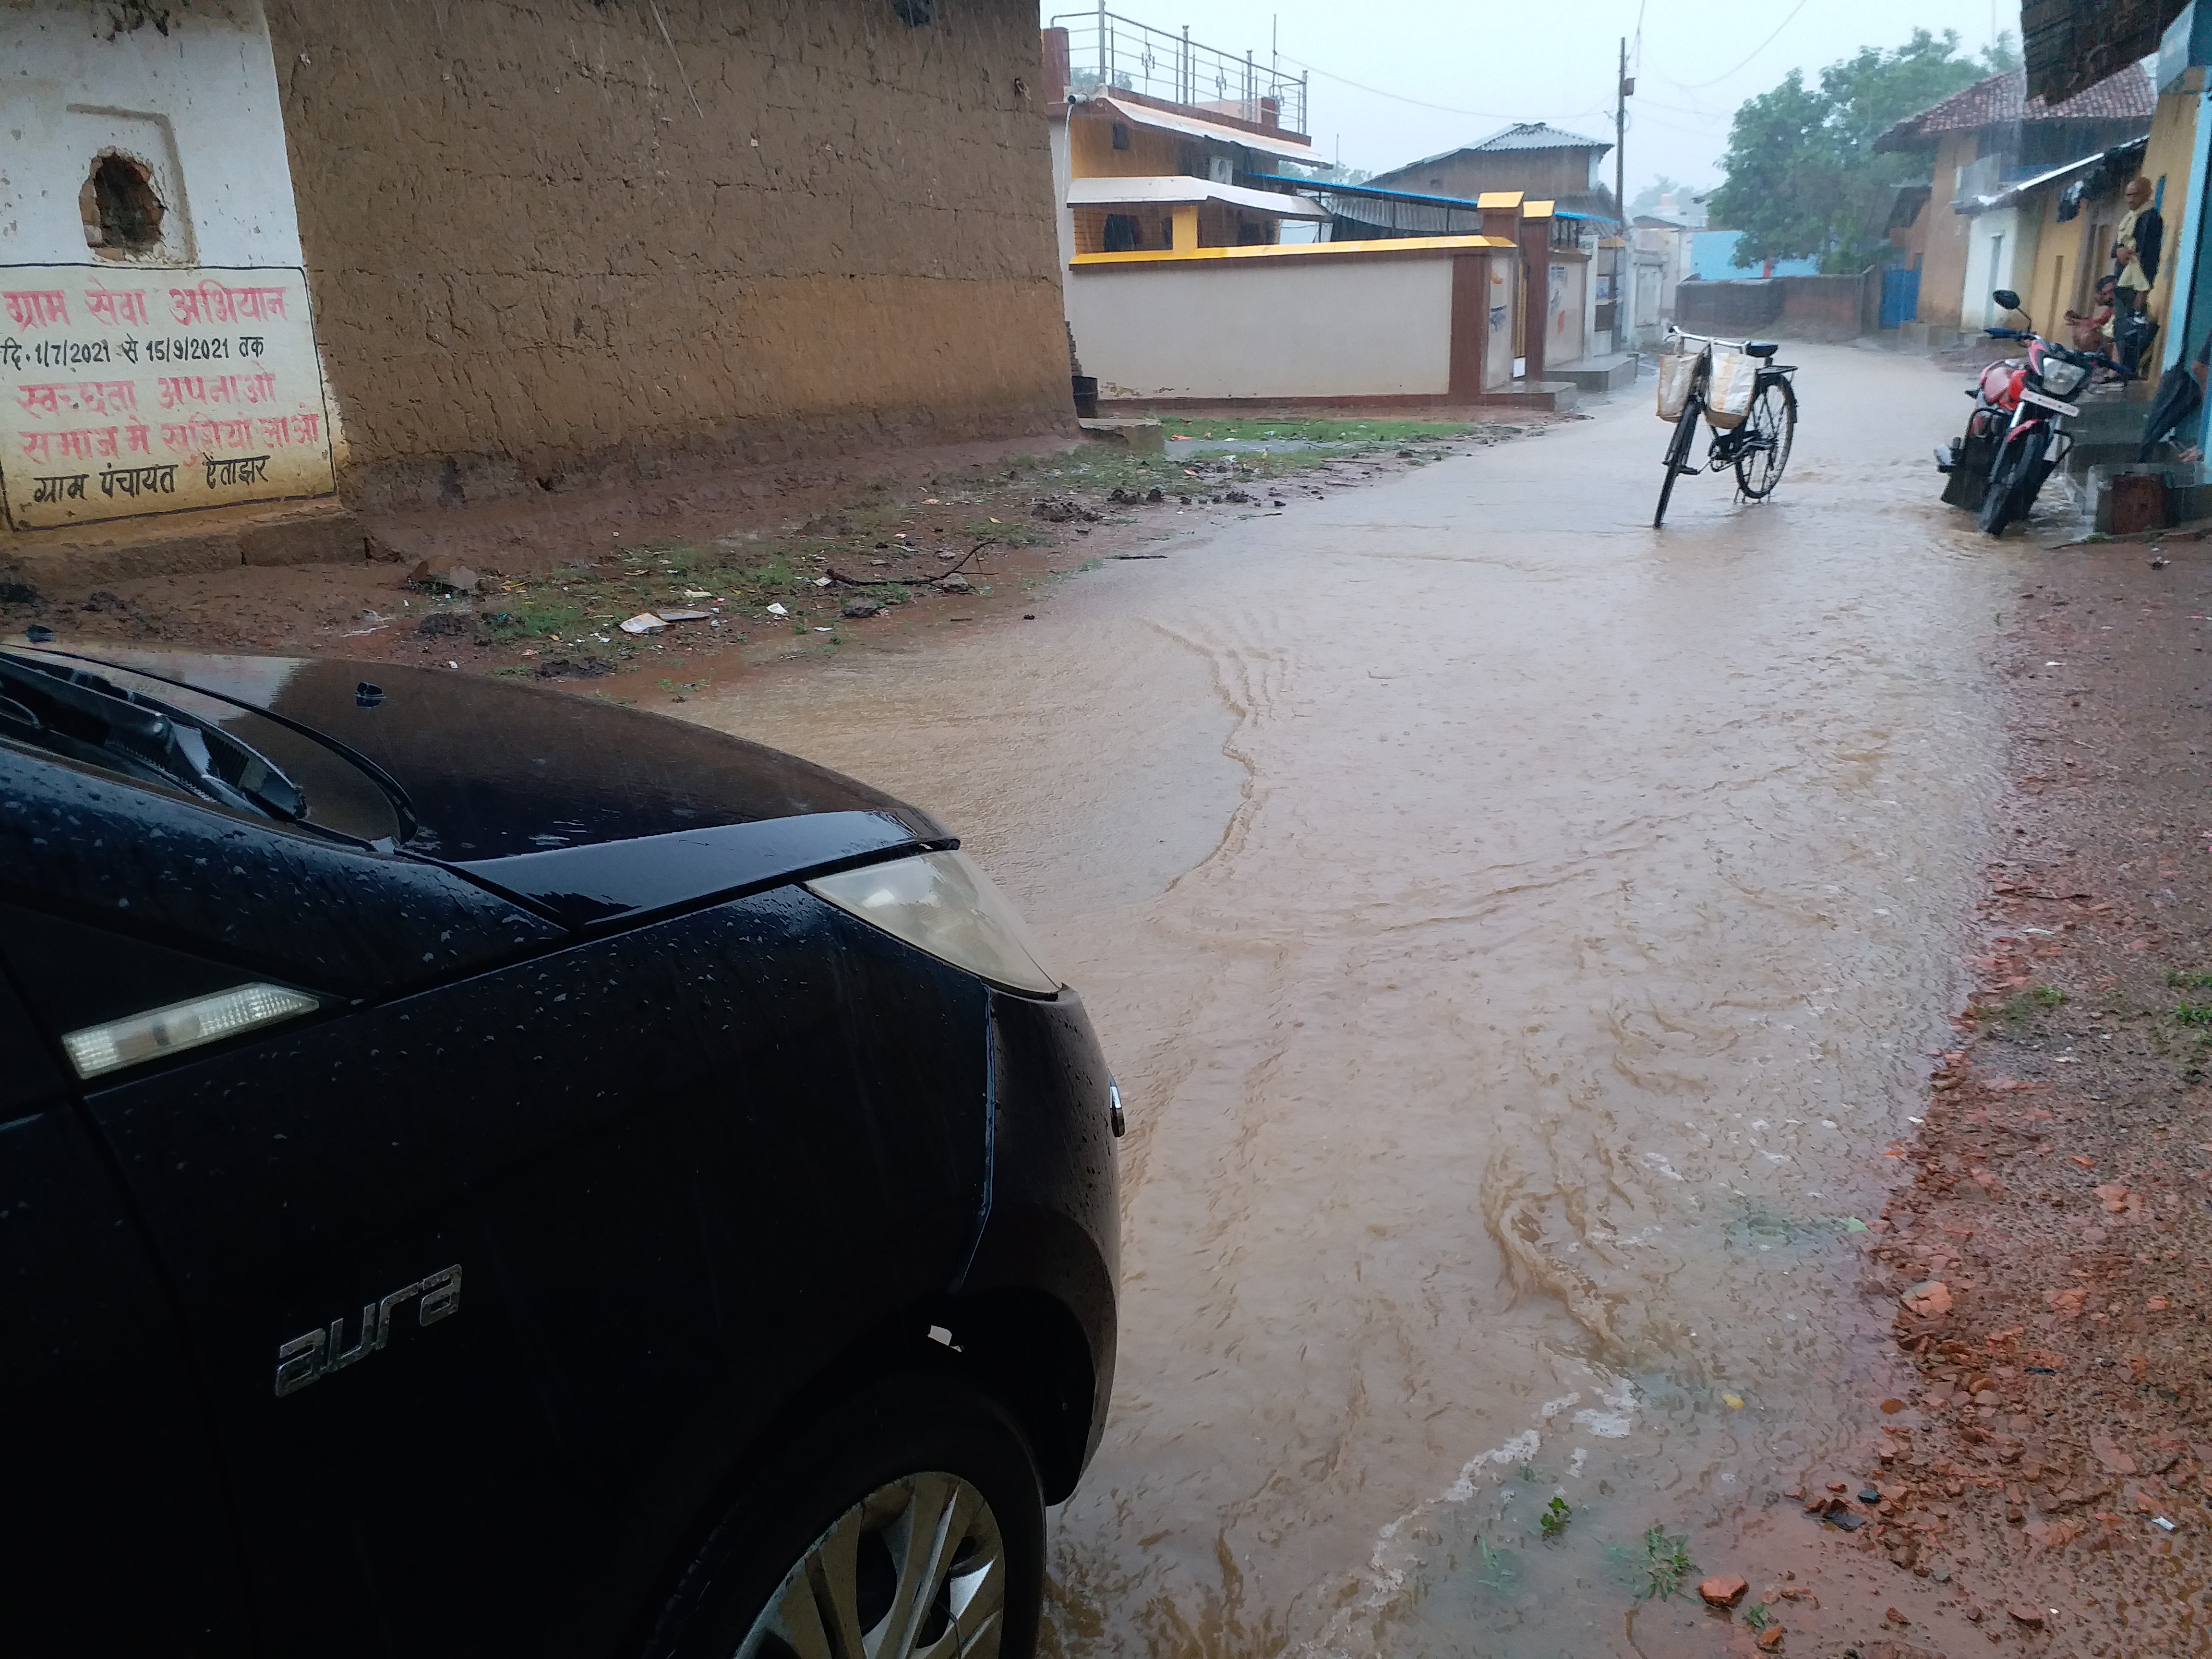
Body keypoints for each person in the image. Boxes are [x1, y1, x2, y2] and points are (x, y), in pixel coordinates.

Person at [2113, 176, 2164, 372]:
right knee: (2120, 327)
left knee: (2131, 331)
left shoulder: (2151, 218)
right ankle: (2118, 369)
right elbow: (2116, 248)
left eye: (2135, 195)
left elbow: (2149, 260)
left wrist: (2144, 292)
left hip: (2136, 284)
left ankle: (2125, 372)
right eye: (2128, 195)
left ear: (2147, 194)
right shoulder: (2129, 218)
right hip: (2123, 281)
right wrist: (2119, 251)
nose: (2130, 200)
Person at [2066, 274, 2116, 355]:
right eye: (2105, 294)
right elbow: (2100, 322)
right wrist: (2081, 320)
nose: (2109, 297)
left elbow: (2098, 326)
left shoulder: (2121, 307)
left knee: (2087, 335)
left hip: (2114, 343)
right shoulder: (2110, 310)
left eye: (2111, 292)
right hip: (2105, 345)